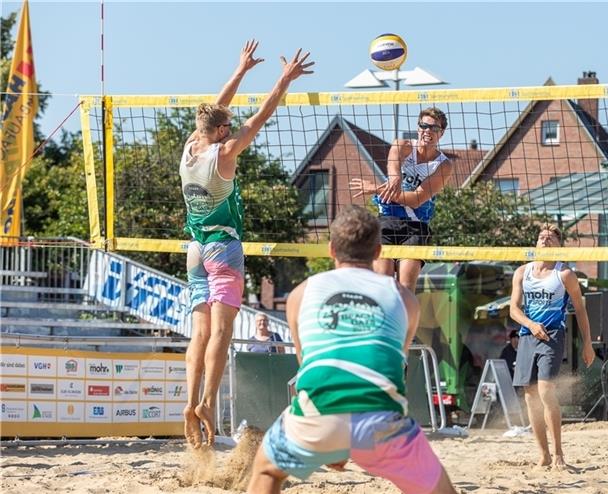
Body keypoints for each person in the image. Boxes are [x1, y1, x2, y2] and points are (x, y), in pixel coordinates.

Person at [246, 205, 456, 494]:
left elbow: (306, 367)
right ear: (379, 251)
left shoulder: (300, 294)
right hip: (382, 420)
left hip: (320, 413)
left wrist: (333, 442)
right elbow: (395, 368)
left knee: (266, 470)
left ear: (331, 250)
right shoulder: (405, 299)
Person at [181, 40, 314, 449]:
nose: (231, 127)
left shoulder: (191, 146)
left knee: (198, 335)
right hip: (223, 249)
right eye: (227, 125)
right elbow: (261, 115)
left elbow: (214, 108)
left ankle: (188, 403)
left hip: (194, 250)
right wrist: (283, 79)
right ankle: (206, 403)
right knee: (222, 332)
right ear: (222, 131)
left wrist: (239, 70)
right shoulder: (225, 152)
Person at [509, 224, 595, 469]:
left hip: (553, 335)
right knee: (530, 397)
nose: (544, 241)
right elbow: (513, 310)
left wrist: (587, 343)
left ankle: (558, 454)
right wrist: (530, 324)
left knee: (546, 391)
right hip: (528, 335)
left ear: (559, 246)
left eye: (550, 238)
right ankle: (544, 455)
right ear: (535, 243)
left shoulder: (564, 274)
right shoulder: (522, 272)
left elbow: (580, 309)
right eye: (541, 237)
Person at [349, 107, 454, 293]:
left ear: (441, 133)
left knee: (405, 288)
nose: (428, 131)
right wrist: (395, 177)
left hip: (416, 226)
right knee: (383, 283)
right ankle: (382, 320)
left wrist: (375, 188)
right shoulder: (402, 145)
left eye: (434, 128)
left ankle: (406, 321)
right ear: (418, 126)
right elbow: (393, 166)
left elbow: (416, 200)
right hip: (387, 221)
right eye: (424, 125)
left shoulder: (443, 165)